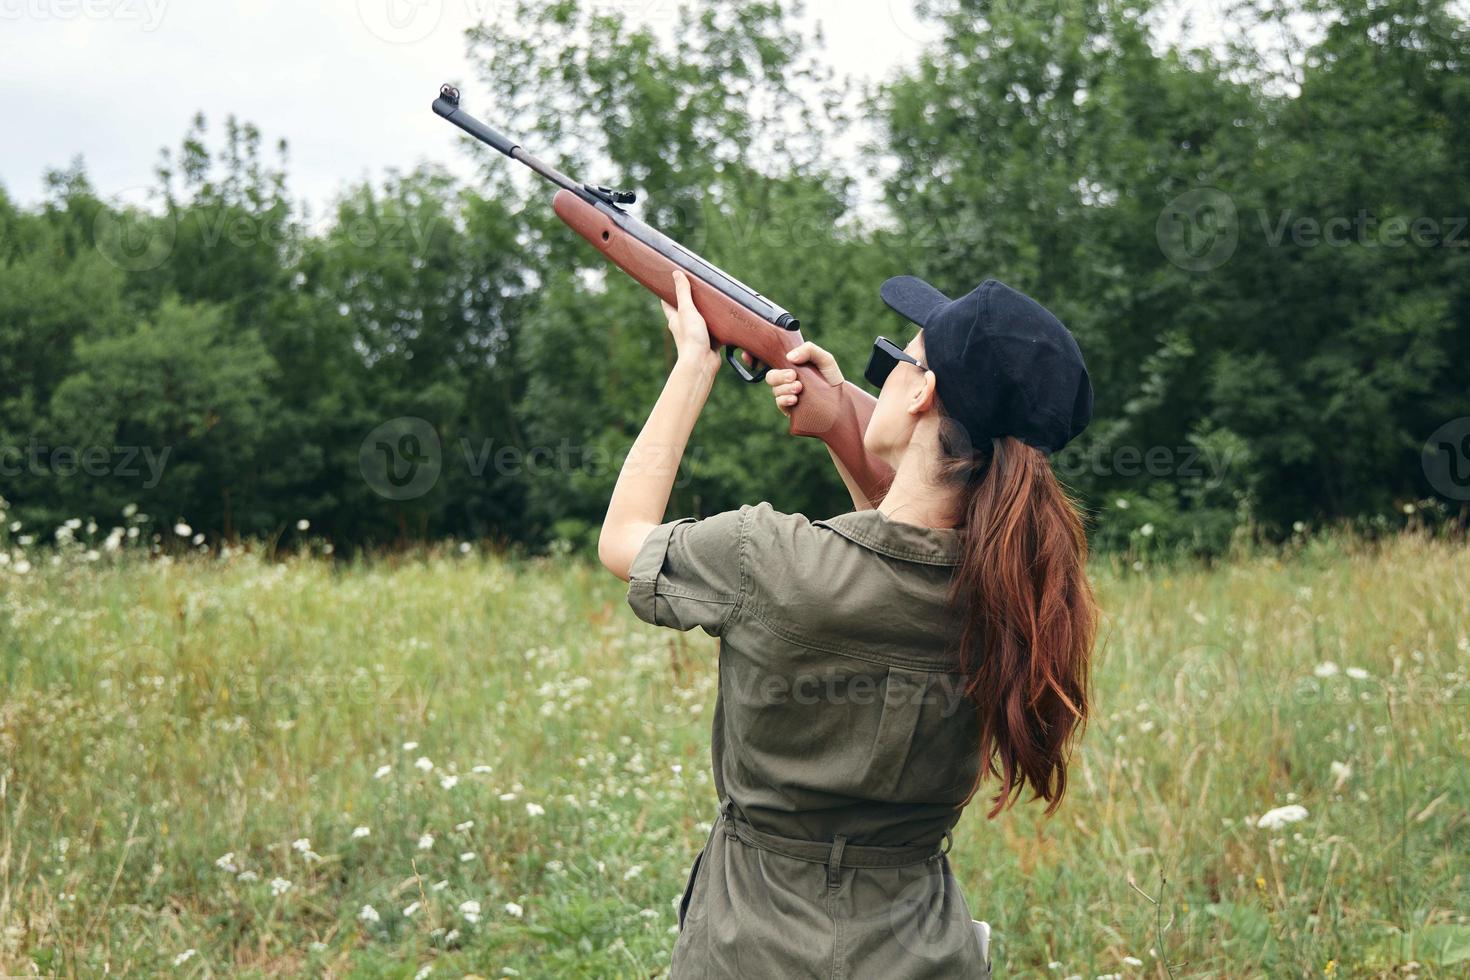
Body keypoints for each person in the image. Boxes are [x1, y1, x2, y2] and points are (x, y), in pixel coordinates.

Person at [598, 269, 1098, 978]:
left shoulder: (766, 557)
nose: (889, 370)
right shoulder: (1019, 598)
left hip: (750, 947)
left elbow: (624, 538)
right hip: (921, 952)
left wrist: (692, 364)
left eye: (902, 358)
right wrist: (840, 420)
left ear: (922, 393)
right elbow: (910, 542)